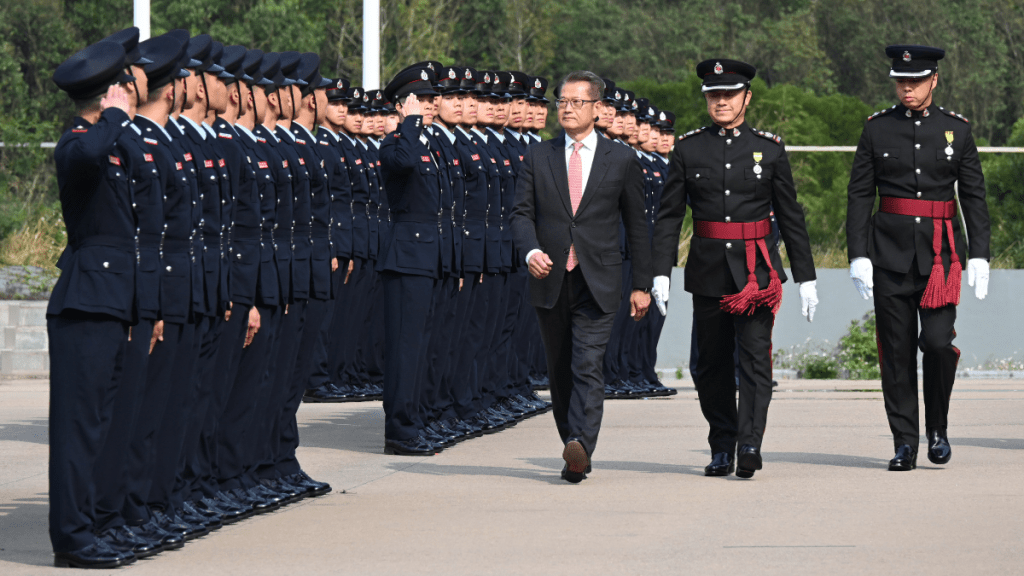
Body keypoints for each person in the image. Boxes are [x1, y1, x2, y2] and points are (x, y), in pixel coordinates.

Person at [651, 59, 818, 479]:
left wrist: (806, 277)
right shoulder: (688, 149)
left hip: (756, 273)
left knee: (755, 361)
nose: (721, 101)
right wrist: (660, 272)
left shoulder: (769, 148)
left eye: (729, 94)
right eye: (714, 95)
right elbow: (669, 216)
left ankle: (750, 444)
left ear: (747, 97)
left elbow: (790, 216)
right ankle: (722, 445)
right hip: (708, 271)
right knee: (710, 365)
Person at [846, 45, 990, 471]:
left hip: (940, 258)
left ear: (934, 80)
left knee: (938, 344)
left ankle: (937, 429)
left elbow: (974, 196)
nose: (907, 88)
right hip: (889, 255)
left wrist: (980, 254)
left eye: (916, 80)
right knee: (897, 352)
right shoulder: (877, 129)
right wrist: (858, 254)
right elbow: (859, 195)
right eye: (901, 81)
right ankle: (905, 443)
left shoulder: (956, 130)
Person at [510, 70, 652, 484]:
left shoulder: (621, 159)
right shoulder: (539, 155)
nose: (567, 108)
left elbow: (637, 225)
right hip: (551, 278)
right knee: (559, 370)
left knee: (587, 365)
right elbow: (521, 214)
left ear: (598, 108)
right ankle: (573, 445)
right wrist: (531, 251)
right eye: (562, 102)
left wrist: (642, 284)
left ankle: (580, 443)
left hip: (599, 280)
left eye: (577, 102)